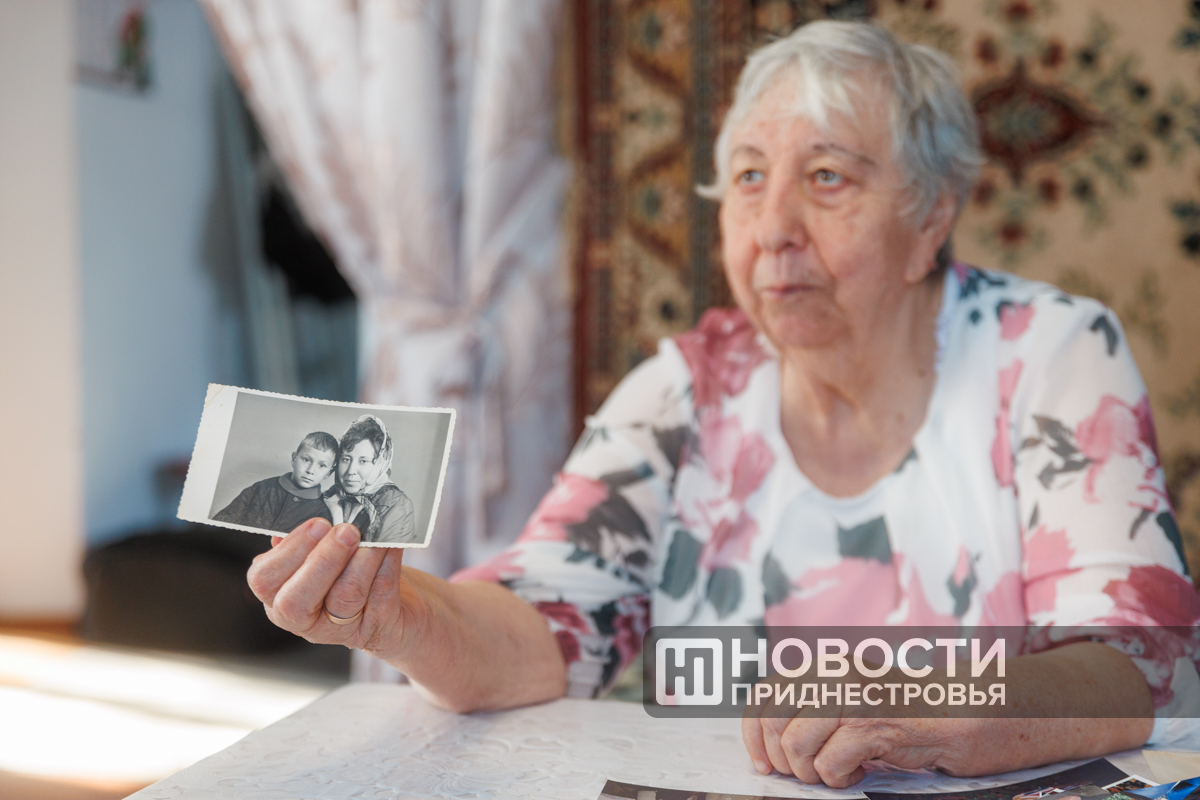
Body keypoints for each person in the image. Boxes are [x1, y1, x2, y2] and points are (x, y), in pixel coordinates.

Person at [244, 20, 1200, 787]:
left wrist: (942, 701)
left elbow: (1147, 664)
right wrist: (396, 615)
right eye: (748, 178)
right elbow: (541, 628)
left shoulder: (1050, 354)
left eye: (827, 177)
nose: (773, 226)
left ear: (930, 219)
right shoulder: (684, 390)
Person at [213, 431, 338, 532]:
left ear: (329, 473)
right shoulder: (262, 488)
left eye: (322, 465)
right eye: (306, 460)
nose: (310, 470)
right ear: (294, 459)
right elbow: (222, 521)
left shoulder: (322, 511)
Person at [324, 414, 417, 545]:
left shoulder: (396, 504)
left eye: (363, 461)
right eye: (346, 459)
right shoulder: (332, 495)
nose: (351, 471)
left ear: (380, 464)